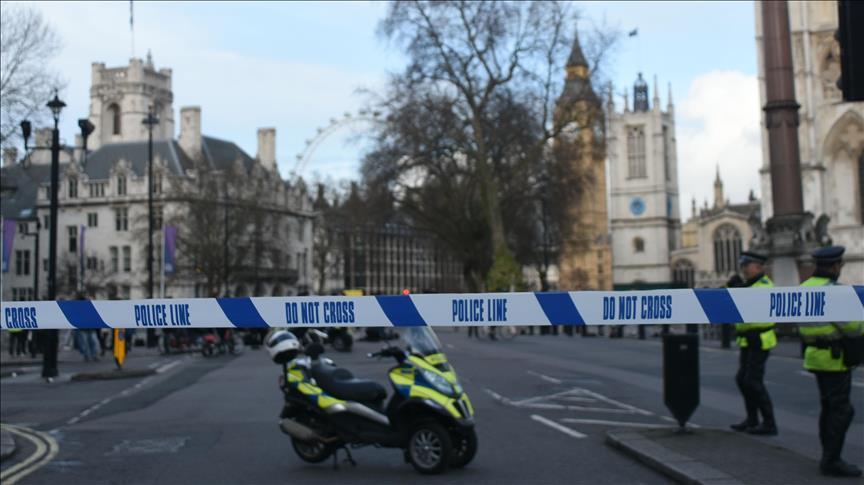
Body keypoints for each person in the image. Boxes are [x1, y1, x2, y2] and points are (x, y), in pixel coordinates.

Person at [799, 245, 863, 477]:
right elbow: (854, 328)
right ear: (835, 266)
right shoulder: (835, 292)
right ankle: (831, 460)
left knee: (829, 409)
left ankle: (828, 455)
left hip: (815, 356)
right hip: (835, 358)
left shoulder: (804, 288)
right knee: (841, 411)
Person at [729, 251, 778, 436]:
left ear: (758, 266)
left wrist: (737, 290)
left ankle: (769, 423)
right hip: (747, 339)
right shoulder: (749, 285)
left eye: (746, 265)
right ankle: (752, 419)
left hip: (760, 340)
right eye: (743, 265)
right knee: (743, 380)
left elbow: (752, 300)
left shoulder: (764, 285)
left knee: (753, 382)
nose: (743, 269)